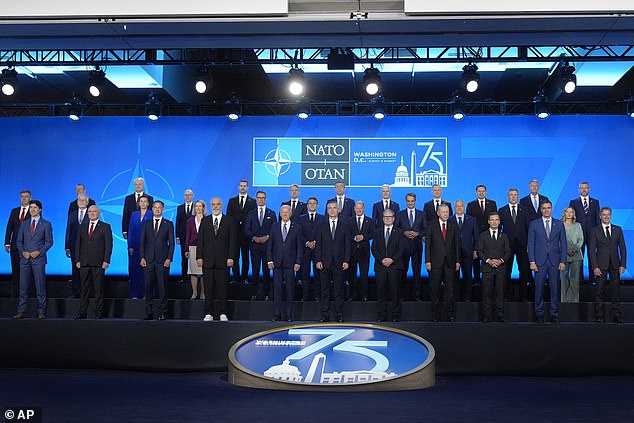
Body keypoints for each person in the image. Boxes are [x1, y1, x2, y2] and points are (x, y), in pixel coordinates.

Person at [197, 198, 236, 322]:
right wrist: (199, 257)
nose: (215, 206)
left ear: (222, 205)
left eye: (218, 204)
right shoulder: (205, 220)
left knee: (223, 288)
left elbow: (232, 242)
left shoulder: (229, 221)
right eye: (213, 204)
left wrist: (231, 257)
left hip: (223, 261)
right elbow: (200, 241)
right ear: (210, 206)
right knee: (208, 288)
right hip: (207, 260)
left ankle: (223, 313)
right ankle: (208, 313)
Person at [528, 201, 567, 323]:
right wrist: (532, 261)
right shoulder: (534, 224)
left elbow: (564, 244)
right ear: (541, 210)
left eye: (548, 208)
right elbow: (531, 244)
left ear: (552, 209)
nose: (546, 210)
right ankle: (539, 314)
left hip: (555, 261)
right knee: (538, 289)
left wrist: (563, 261)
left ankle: (554, 314)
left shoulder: (559, 224)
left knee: (554, 289)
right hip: (539, 261)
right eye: (544, 208)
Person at [13, 200, 53, 319]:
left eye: (35, 207)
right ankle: (21, 311)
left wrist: (39, 252)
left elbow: (49, 242)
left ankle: (41, 311)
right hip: (24, 259)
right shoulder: (24, 224)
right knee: (23, 287)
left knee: (40, 287)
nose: (32, 210)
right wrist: (22, 252)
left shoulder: (46, 224)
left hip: (38, 259)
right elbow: (18, 241)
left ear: (40, 209)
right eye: (31, 208)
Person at [588, 207, 626, 323]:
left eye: (608, 215)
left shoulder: (618, 229)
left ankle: (617, 315)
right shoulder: (595, 230)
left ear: (611, 216)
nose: (606, 217)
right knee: (600, 291)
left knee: (616, 291)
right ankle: (599, 315)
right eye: (604, 215)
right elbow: (591, 250)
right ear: (600, 216)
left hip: (615, 264)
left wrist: (623, 264)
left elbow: (623, 248)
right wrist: (595, 266)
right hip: (600, 265)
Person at [73, 206, 113, 319]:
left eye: (94, 211)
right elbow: (78, 244)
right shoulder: (82, 226)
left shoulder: (105, 227)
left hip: (99, 262)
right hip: (84, 262)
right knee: (84, 289)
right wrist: (78, 260)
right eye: (90, 211)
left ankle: (98, 312)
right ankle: (82, 312)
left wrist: (106, 260)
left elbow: (109, 245)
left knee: (98, 289)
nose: (92, 213)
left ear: (99, 213)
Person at [315, 201, 351, 322]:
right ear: (327, 210)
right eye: (329, 208)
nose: (332, 210)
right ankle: (325, 315)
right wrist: (318, 260)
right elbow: (318, 245)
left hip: (340, 263)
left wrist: (346, 260)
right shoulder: (321, 225)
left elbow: (347, 245)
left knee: (338, 291)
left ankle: (339, 315)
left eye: (334, 208)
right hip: (324, 262)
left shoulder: (345, 226)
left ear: (338, 210)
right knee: (324, 291)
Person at [267, 205, 304, 322]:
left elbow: (299, 247)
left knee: (289, 290)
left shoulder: (297, 227)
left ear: (290, 213)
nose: (284, 214)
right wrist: (269, 259)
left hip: (290, 263)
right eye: (282, 212)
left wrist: (298, 261)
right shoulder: (274, 226)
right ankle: (277, 314)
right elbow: (270, 245)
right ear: (280, 213)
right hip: (276, 263)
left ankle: (289, 315)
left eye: (287, 212)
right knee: (277, 290)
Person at [140, 201, 175, 321]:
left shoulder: (169, 224)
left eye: (159, 208)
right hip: (148, 260)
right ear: (152, 209)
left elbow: (171, 243)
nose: (157, 209)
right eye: (155, 207)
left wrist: (169, 258)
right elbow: (142, 242)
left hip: (162, 260)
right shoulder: (146, 224)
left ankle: (163, 313)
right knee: (148, 287)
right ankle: (148, 312)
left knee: (163, 288)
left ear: (163, 209)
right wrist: (142, 257)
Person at [425, 204, 460, 322]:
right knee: (435, 290)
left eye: (447, 212)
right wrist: (428, 261)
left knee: (450, 290)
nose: (446, 214)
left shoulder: (453, 225)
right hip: (435, 263)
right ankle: (435, 315)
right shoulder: (431, 225)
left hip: (450, 262)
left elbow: (457, 245)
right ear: (438, 213)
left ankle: (449, 314)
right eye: (443, 212)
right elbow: (428, 245)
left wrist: (457, 261)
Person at [498, 188, 531, 301]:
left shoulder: (525, 210)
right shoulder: (502, 210)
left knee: (524, 271)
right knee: (507, 272)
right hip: (507, 246)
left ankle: (523, 297)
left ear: (518, 196)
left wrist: (529, 245)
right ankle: (506, 296)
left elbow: (529, 229)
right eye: (511, 195)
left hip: (522, 245)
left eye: (515, 195)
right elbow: (499, 230)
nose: (513, 197)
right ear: (508, 196)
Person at [372, 209, 405, 322]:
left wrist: (392, 260)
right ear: (382, 218)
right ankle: (382, 315)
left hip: (395, 266)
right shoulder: (377, 232)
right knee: (381, 292)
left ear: (394, 218)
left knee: (395, 292)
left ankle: (396, 316)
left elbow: (401, 250)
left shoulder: (400, 232)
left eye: (389, 216)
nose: (387, 218)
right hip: (380, 267)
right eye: (385, 216)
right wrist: (382, 260)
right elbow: (374, 249)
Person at [477, 212, 511, 323]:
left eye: (496, 220)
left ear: (499, 222)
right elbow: (480, 251)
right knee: (486, 293)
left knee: (500, 293)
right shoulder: (483, 235)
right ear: (488, 222)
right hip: (487, 268)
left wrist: (500, 261)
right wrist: (488, 261)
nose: (494, 222)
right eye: (492, 220)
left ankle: (500, 315)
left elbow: (508, 252)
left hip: (500, 268)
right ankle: (487, 316)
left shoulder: (504, 236)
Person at [245, 191, 277, 300]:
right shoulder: (251, 213)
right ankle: (254, 293)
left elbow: (275, 230)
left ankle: (267, 293)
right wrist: (254, 238)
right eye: (259, 198)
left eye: (263, 198)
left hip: (267, 247)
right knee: (255, 270)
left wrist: (267, 237)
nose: (261, 200)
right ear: (256, 199)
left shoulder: (271, 213)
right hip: (254, 246)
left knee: (266, 271)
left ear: (266, 198)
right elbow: (247, 230)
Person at [394, 193, 425, 301]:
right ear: (406, 201)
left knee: (417, 272)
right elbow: (395, 229)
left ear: (415, 201)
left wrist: (418, 234)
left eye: (412, 201)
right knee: (403, 272)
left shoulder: (422, 214)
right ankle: (402, 296)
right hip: (403, 247)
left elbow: (426, 230)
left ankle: (416, 296)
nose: (410, 203)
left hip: (417, 246)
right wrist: (404, 232)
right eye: (408, 201)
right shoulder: (399, 214)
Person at [569, 181, 600, 283]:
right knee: (578, 256)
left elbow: (597, 219)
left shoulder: (595, 202)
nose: (584, 189)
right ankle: (579, 278)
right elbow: (571, 218)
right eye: (582, 188)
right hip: (578, 234)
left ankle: (593, 278)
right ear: (579, 190)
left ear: (589, 189)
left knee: (592, 256)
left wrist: (598, 234)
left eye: (585, 188)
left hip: (592, 234)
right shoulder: (574, 202)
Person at [226, 180, 256, 283]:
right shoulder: (232, 201)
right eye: (241, 186)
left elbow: (254, 219)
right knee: (235, 256)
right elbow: (228, 218)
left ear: (247, 188)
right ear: (238, 187)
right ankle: (235, 277)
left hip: (247, 235)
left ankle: (244, 277)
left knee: (245, 257)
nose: (243, 188)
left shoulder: (252, 201)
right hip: (234, 234)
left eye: (245, 186)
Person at [466, 184, 497, 285]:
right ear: (476, 192)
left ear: (486, 192)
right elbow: (468, 223)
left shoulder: (492, 203)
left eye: (483, 191)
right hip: (476, 237)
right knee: (476, 260)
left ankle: (488, 280)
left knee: (488, 258)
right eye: (479, 191)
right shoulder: (471, 204)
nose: (481, 193)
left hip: (489, 236)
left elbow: (495, 219)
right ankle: (476, 280)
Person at [449, 200, 479, 302]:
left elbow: (476, 237)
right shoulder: (449, 219)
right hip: (453, 254)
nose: (459, 208)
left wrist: (475, 250)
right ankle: (455, 298)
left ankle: (467, 298)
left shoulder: (472, 220)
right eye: (457, 206)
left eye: (461, 206)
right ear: (454, 207)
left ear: (464, 207)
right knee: (454, 278)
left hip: (468, 253)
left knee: (468, 277)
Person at [5, 190, 31, 298]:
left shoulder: (34, 210)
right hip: (15, 246)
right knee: (15, 270)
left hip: (27, 246)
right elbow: (9, 227)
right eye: (22, 196)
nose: (24, 198)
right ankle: (15, 293)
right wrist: (7, 242)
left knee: (27, 271)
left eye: (26, 196)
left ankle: (26, 293)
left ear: (30, 198)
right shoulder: (14, 211)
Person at [299, 197, 326, 301]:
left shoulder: (323, 218)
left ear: (317, 205)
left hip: (318, 250)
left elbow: (324, 233)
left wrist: (315, 242)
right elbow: (299, 233)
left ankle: (317, 296)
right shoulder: (301, 218)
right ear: (307, 205)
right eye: (310, 203)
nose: (312, 205)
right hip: (305, 250)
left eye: (314, 203)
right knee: (304, 274)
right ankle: (305, 296)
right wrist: (307, 243)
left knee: (318, 274)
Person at [347, 201, 374, 301]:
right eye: (357, 208)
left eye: (360, 208)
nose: (359, 210)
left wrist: (363, 237)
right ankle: (351, 295)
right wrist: (353, 237)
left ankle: (364, 295)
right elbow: (346, 235)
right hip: (352, 252)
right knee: (351, 275)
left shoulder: (370, 221)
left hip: (364, 252)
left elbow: (373, 234)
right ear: (354, 209)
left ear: (364, 208)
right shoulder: (348, 221)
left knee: (364, 275)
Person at [126, 195, 152, 299]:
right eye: (141, 201)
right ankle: (135, 294)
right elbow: (130, 230)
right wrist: (130, 246)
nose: (143, 203)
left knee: (146, 273)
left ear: (148, 203)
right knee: (134, 271)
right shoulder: (134, 214)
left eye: (145, 201)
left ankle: (146, 294)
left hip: (147, 247)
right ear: (138, 203)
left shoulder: (151, 214)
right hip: (135, 247)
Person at [65, 194, 89, 298]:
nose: (82, 202)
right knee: (75, 270)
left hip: (87, 248)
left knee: (86, 271)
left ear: (87, 202)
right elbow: (68, 230)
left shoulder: (91, 213)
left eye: (84, 200)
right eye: (80, 200)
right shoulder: (72, 214)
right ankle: (76, 293)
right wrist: (67, 246)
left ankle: (86, 293)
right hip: (74, 247)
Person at [560, 207, 584, 303]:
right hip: (563, 255)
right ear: (564, 213)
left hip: (576, 255)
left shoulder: (578, 225)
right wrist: (565, 250)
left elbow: (581, 240)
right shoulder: (560, 225)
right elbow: (557, 239)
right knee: (564, 279)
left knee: (575, 279)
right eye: (567, 212)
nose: (569, 214)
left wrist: (575, 249)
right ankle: (564, 300)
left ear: (574, 214)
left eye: (571, 212)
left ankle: (574, 301)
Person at [185, 200, 206, 300]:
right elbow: (187, 235)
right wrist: (186, 249)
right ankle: (194, 292)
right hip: (192, 247)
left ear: (203, 208)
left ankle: (203, 293)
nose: (198, 208)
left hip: (205, 248)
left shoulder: (207, 219)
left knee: (203, 271)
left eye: (200, 206)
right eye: (196, 206)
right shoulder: (190, 220)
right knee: (193, 271)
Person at [176, 189, 195, 283]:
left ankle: (193, 277)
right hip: (183, 236)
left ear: (193, 196)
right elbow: (178, 222)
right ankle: (184, 277)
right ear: (184, 196)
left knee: (193, 258)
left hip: (194, 237)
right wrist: (177, 236)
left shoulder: (196, 207)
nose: (187, 196)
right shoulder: (180, 208)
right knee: (184, 258)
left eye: (189, 195)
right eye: (186, 195)